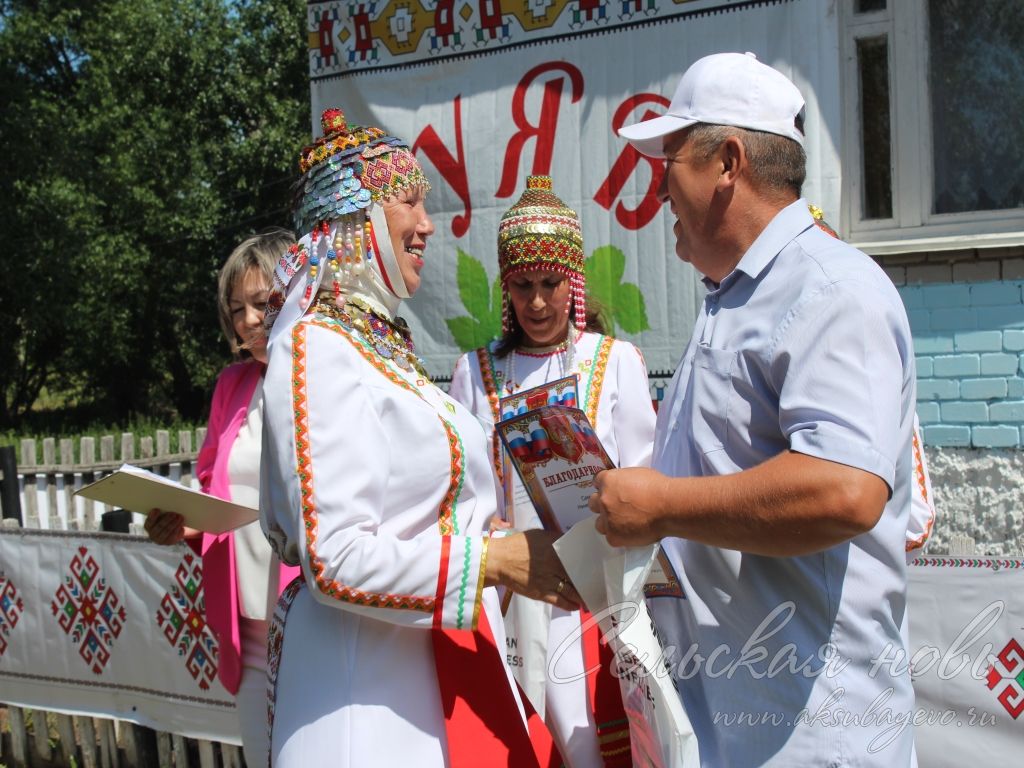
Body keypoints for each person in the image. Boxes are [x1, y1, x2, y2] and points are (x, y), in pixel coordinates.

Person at [589, 52, 919, 765]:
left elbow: (845, 490)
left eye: (670, 158)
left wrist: (664, 505)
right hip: (731, 730)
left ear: (728, 162)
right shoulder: (736, 300)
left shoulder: (828, 291)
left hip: (813, 738)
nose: (657, 190)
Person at [259, 108, 580, 767]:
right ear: (358, 220)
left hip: (419, 673)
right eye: (409, 201)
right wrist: (492, 561)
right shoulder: (315, 347)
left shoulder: (380, 352)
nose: (428, 224)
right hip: (360, 697)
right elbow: (335, 558)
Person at [449, 174, 656, 768]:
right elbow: (467, 490)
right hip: (511, 590)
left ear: (573, 283)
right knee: (519, 737)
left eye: (550, 284)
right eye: (521, 285)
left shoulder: (615, 363)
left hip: (593, 595)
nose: (536, 302)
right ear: (504, 286)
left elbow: (643, 476)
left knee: (589, 741)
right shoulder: (475, 371)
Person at [143, 229, 300, 768]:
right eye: (238, 309)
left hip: (313, 624)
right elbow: (214, 490)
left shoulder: (324, 379)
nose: (249, 320)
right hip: (248, 637)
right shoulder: (230, 386)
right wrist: (185, 524)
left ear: (300, 291)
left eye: (261, 303)